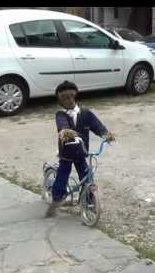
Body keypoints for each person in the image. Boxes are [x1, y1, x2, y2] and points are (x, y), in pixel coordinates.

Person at [45, 81, 115, 218]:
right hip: (66, 152)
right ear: (60, 100)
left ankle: (89, 199)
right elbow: (62, 125)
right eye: (64, 98)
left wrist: (106, 134)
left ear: (75, 96)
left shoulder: (85, 113)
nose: (68, 101)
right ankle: (57, 200)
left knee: (86, 174)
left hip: (82, 151)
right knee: (62, 175)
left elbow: (97, 125)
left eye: (70, 97)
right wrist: (65, 131)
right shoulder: (60, 114)